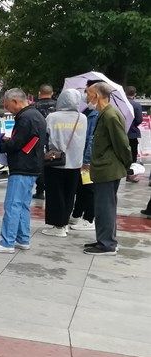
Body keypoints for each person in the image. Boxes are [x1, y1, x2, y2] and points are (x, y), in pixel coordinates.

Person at [0, 89, 46, 253]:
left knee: (12, 205)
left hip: (22, 166)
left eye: (7, 105)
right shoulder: (36, 115)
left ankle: (7, 242)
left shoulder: (25, 117)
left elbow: (16, 144)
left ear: (15, 101)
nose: (7, 109)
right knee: (23, 205)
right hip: (32, 166)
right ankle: (22, 238)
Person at [84, 82, 132, 255]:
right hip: (104, 168)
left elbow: (122, 144)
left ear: (96, 95)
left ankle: (107, 244)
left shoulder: (110, 115)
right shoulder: (104, 114)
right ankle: (105, 239)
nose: (87, 97)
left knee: (105, 207)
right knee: (104, 207)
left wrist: (127, 163)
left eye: (88, 93)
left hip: (108, 169)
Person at [40, 88, 87, 237]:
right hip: (75, 162)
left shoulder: (52, 117)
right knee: (69, 194)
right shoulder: (82, 118)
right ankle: (64, 223)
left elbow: (45, 136)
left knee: (55, 194)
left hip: (55, 161)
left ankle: (58, 226)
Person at [68, 103, 99, 232]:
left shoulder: (95, 115)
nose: (87, 97)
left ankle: (89, 218)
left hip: (87, 160)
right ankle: (77, 214)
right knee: (81, 187)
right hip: (80, 157)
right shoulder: (85, 112)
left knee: (88, 187)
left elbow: (92, 139)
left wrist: (87, 160)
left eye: (90, 94)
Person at [32, 85, 57, 200]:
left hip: (38, 139)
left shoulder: (34, 107)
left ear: (39, 93)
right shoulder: (57, 106)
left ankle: (40, 190)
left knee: (40, 164)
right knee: (54, 162)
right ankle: (52, 188)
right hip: (54, 139)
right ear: (52, 93)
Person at [125, 86, 143, 180]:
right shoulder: (136, 105)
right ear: (135, 94)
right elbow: (139, 119)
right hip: (132, 133)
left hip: (121, 132)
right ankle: (130, 174)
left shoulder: (121, 104)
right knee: (133, 154)